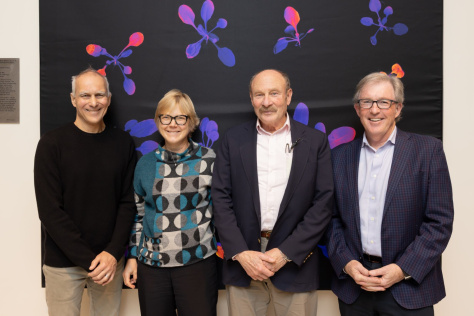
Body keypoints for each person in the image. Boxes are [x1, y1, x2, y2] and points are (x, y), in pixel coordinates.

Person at [326, 72, 454, 315]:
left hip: (408, 291)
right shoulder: (337, 157)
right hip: (355, 289)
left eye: (384, 102)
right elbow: (330, 220)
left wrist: (402, 269)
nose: (375, 110)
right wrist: (347, 264)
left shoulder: (428, 151)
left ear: (397, 108)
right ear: (357, 108)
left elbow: (440, 222)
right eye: (367, 102)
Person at [212, 69, 334, 315]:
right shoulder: (232, 140)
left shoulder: (315, 141)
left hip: (296, 265)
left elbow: (323, 203)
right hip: (243, 265)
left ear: (288, 96)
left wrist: (286, 253)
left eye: (274, 93)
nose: (266, 102)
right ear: (251, 99)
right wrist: (241, 253)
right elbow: (220, 199)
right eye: (259, 95)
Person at [34, 68, 137, 316]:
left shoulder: (123, 144)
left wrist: (112, 254)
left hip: (108, 262)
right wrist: (89, 260)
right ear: (73, 99)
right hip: (63, 263)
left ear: (109, 99)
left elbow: (128, 203)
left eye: (99, 95)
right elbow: (49, 211)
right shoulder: (51, 144)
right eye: (85, 95)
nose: (93, 102)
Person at [123, 89, 218, 316]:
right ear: (158, 121)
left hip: (197, 263)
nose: (172, 124)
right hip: (152, 268)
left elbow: (222, 208)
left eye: (180, 118)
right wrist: (133, 257)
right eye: (166, 117)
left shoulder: (209, 159)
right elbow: (137, 214)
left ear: (191, 122)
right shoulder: (145, 164)